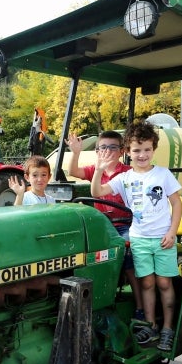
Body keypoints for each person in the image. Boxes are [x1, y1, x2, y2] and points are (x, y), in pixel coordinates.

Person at [91, 121, 182, 352]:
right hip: (140, 238)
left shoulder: (163, 174)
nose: (142, 155)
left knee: (163, 282)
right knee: (147, 282)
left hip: (163, 238)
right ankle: (149, 325)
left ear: (153, 149)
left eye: (147, 149)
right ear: (128, 152)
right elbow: (97, 192)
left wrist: (172, 232)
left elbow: (176, 204)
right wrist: (100, 169)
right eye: (137, 150)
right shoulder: (124, 178)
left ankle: (168, 329)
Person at [66, 130, 144, 320]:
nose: (107, 151)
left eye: (112, 147)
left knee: (126, 256)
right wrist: (75, 152)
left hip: (125, 224)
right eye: (103, 147)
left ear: (121, 151)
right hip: (102, 225)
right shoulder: (94, 170)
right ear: (97, 151)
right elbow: (73, 172)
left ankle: (140, 307)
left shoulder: (128, 172)